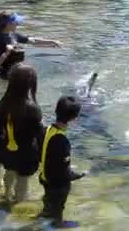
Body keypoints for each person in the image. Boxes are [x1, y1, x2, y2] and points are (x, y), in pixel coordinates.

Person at [0, 64, 45, 201]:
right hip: (26, 152)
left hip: (6, 148)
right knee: (23, 179)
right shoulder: (32, 108)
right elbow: (38, 134)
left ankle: (7, 194)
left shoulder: (3, 102)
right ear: (30, 84)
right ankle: (20, 201)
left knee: (9, 171)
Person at [39, 96, 86, 227]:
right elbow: (64, 172)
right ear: (74, 118)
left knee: (49, 198)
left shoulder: (47, 130)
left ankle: (46, 212)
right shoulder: (62, 141)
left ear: (56, 111)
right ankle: (58, 223)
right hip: (57, 183)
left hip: (44, 176)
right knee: (59, 205)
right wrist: (78, 175)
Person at [0, 11, 62, 79]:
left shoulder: (13, 35)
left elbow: (33, 41)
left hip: (16, 74)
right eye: (16, 22)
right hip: (4, 77)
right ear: (8, 24)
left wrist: (52, 42)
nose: (18, 24)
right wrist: (6, 52)